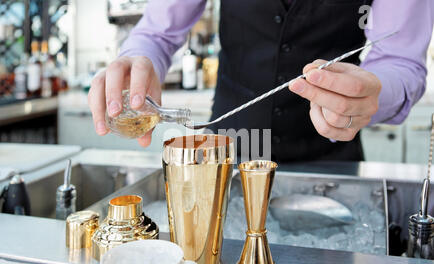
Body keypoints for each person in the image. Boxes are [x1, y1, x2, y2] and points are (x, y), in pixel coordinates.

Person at [88, 0, 434, 163]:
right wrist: (139, 57)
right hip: (229, 153)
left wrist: (369, 96)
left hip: (329, 159)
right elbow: (157, 33)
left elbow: (399, 60)